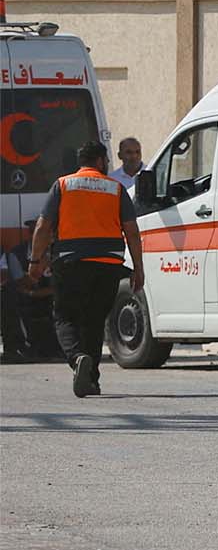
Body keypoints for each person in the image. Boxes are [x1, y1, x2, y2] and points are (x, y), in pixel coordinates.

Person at [28, 141, 145, 398]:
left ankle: (77, 357)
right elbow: (132, 232)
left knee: (65, 317)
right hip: (108, 264)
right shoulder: (115, 188)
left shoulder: (63, 185)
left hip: (71, 263)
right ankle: (91, 380)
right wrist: (138, 269)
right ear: (102, 161)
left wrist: (35, 263)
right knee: (94, 321)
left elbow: (42, 228)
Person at [1, 220, 59, 362]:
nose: (42, 238)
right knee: (11, 297)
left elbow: (64, 285)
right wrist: (37, 271)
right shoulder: (18, 253)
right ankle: (19, 347)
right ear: (30, 234)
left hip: (50, 297)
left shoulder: (58, 253)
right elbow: (21, 284)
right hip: (28, 297)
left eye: (47, 234)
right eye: (37, 233)